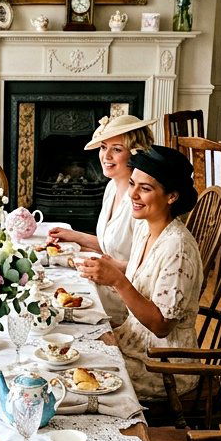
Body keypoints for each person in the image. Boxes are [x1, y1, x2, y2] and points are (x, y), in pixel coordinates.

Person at [74, 144, 202, 402]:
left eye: (145, 189)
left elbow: (161, 326)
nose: (132, 194)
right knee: (66, 346)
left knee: (73, 376)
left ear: (171, 196)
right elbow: (144, 273)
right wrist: (106, 266)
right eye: (132, 184)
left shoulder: (177, 249)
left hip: (161, 367)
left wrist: (117, 280)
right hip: (133, 344)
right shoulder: (146, 229)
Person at [47, 112, 155, 323]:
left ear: (135, 154)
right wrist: (75, 236)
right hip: (103, 283)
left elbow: (149, 268)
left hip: (126, 299)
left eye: (117, 149)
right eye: (104, 147)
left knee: (54, 308)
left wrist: (112, 266)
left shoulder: (141, 203)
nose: (106, 156)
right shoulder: (111, 188)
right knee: (47, 288)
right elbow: (112, 246)